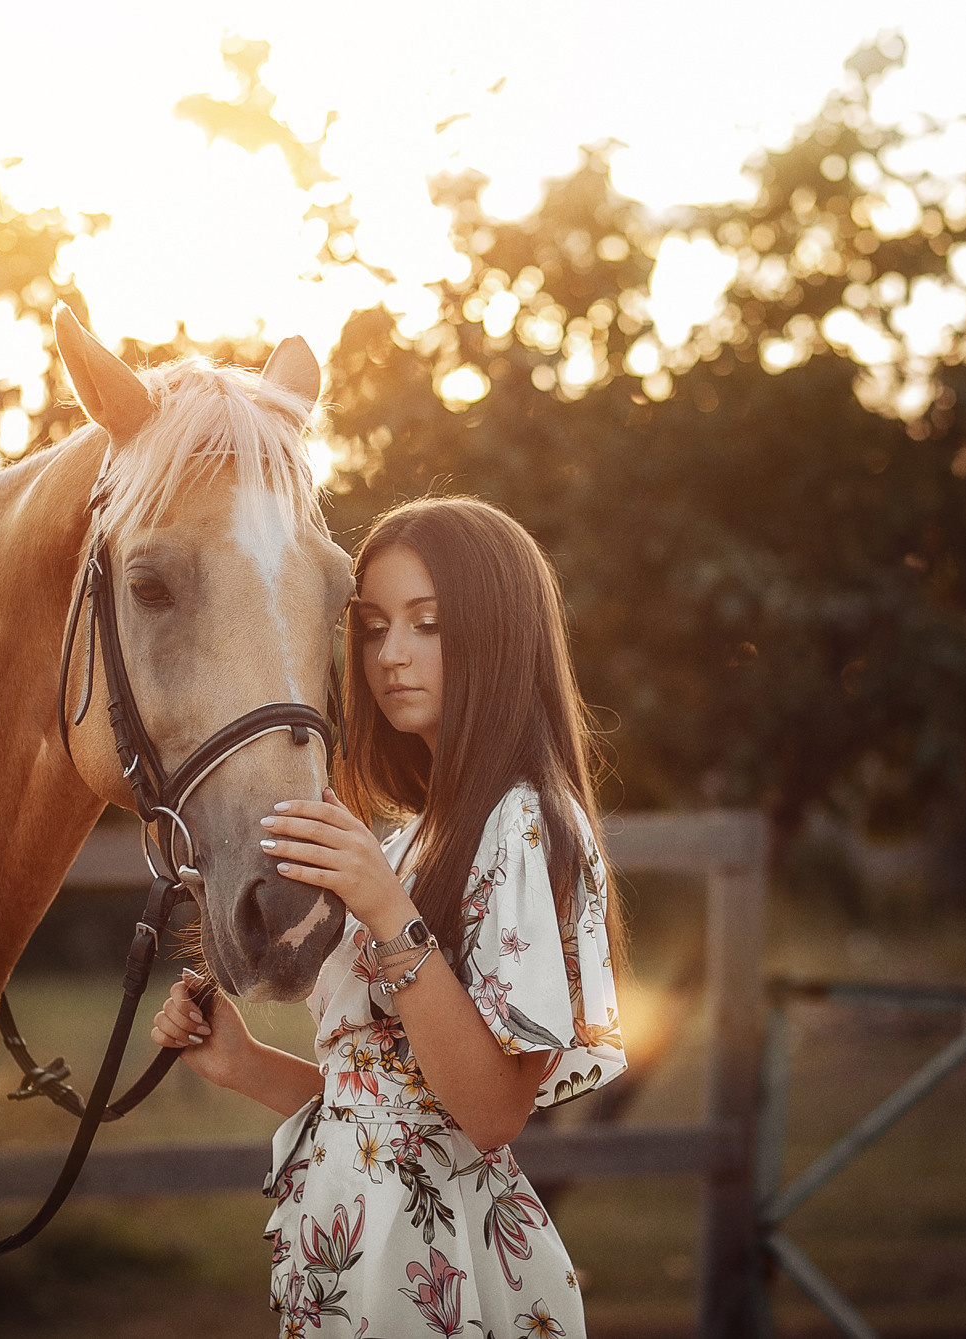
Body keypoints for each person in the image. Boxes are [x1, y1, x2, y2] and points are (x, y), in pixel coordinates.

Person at [151, 496, 626, 1338]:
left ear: (497, 635)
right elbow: (383, 1108)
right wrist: (245, 1062)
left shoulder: (525, 824)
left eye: (428, 623)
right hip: (355, 1259)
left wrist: (385, 910)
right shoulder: (410, 839)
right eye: (372, 626)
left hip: (440, 1271)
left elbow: (488, 1114)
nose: (390, 655)